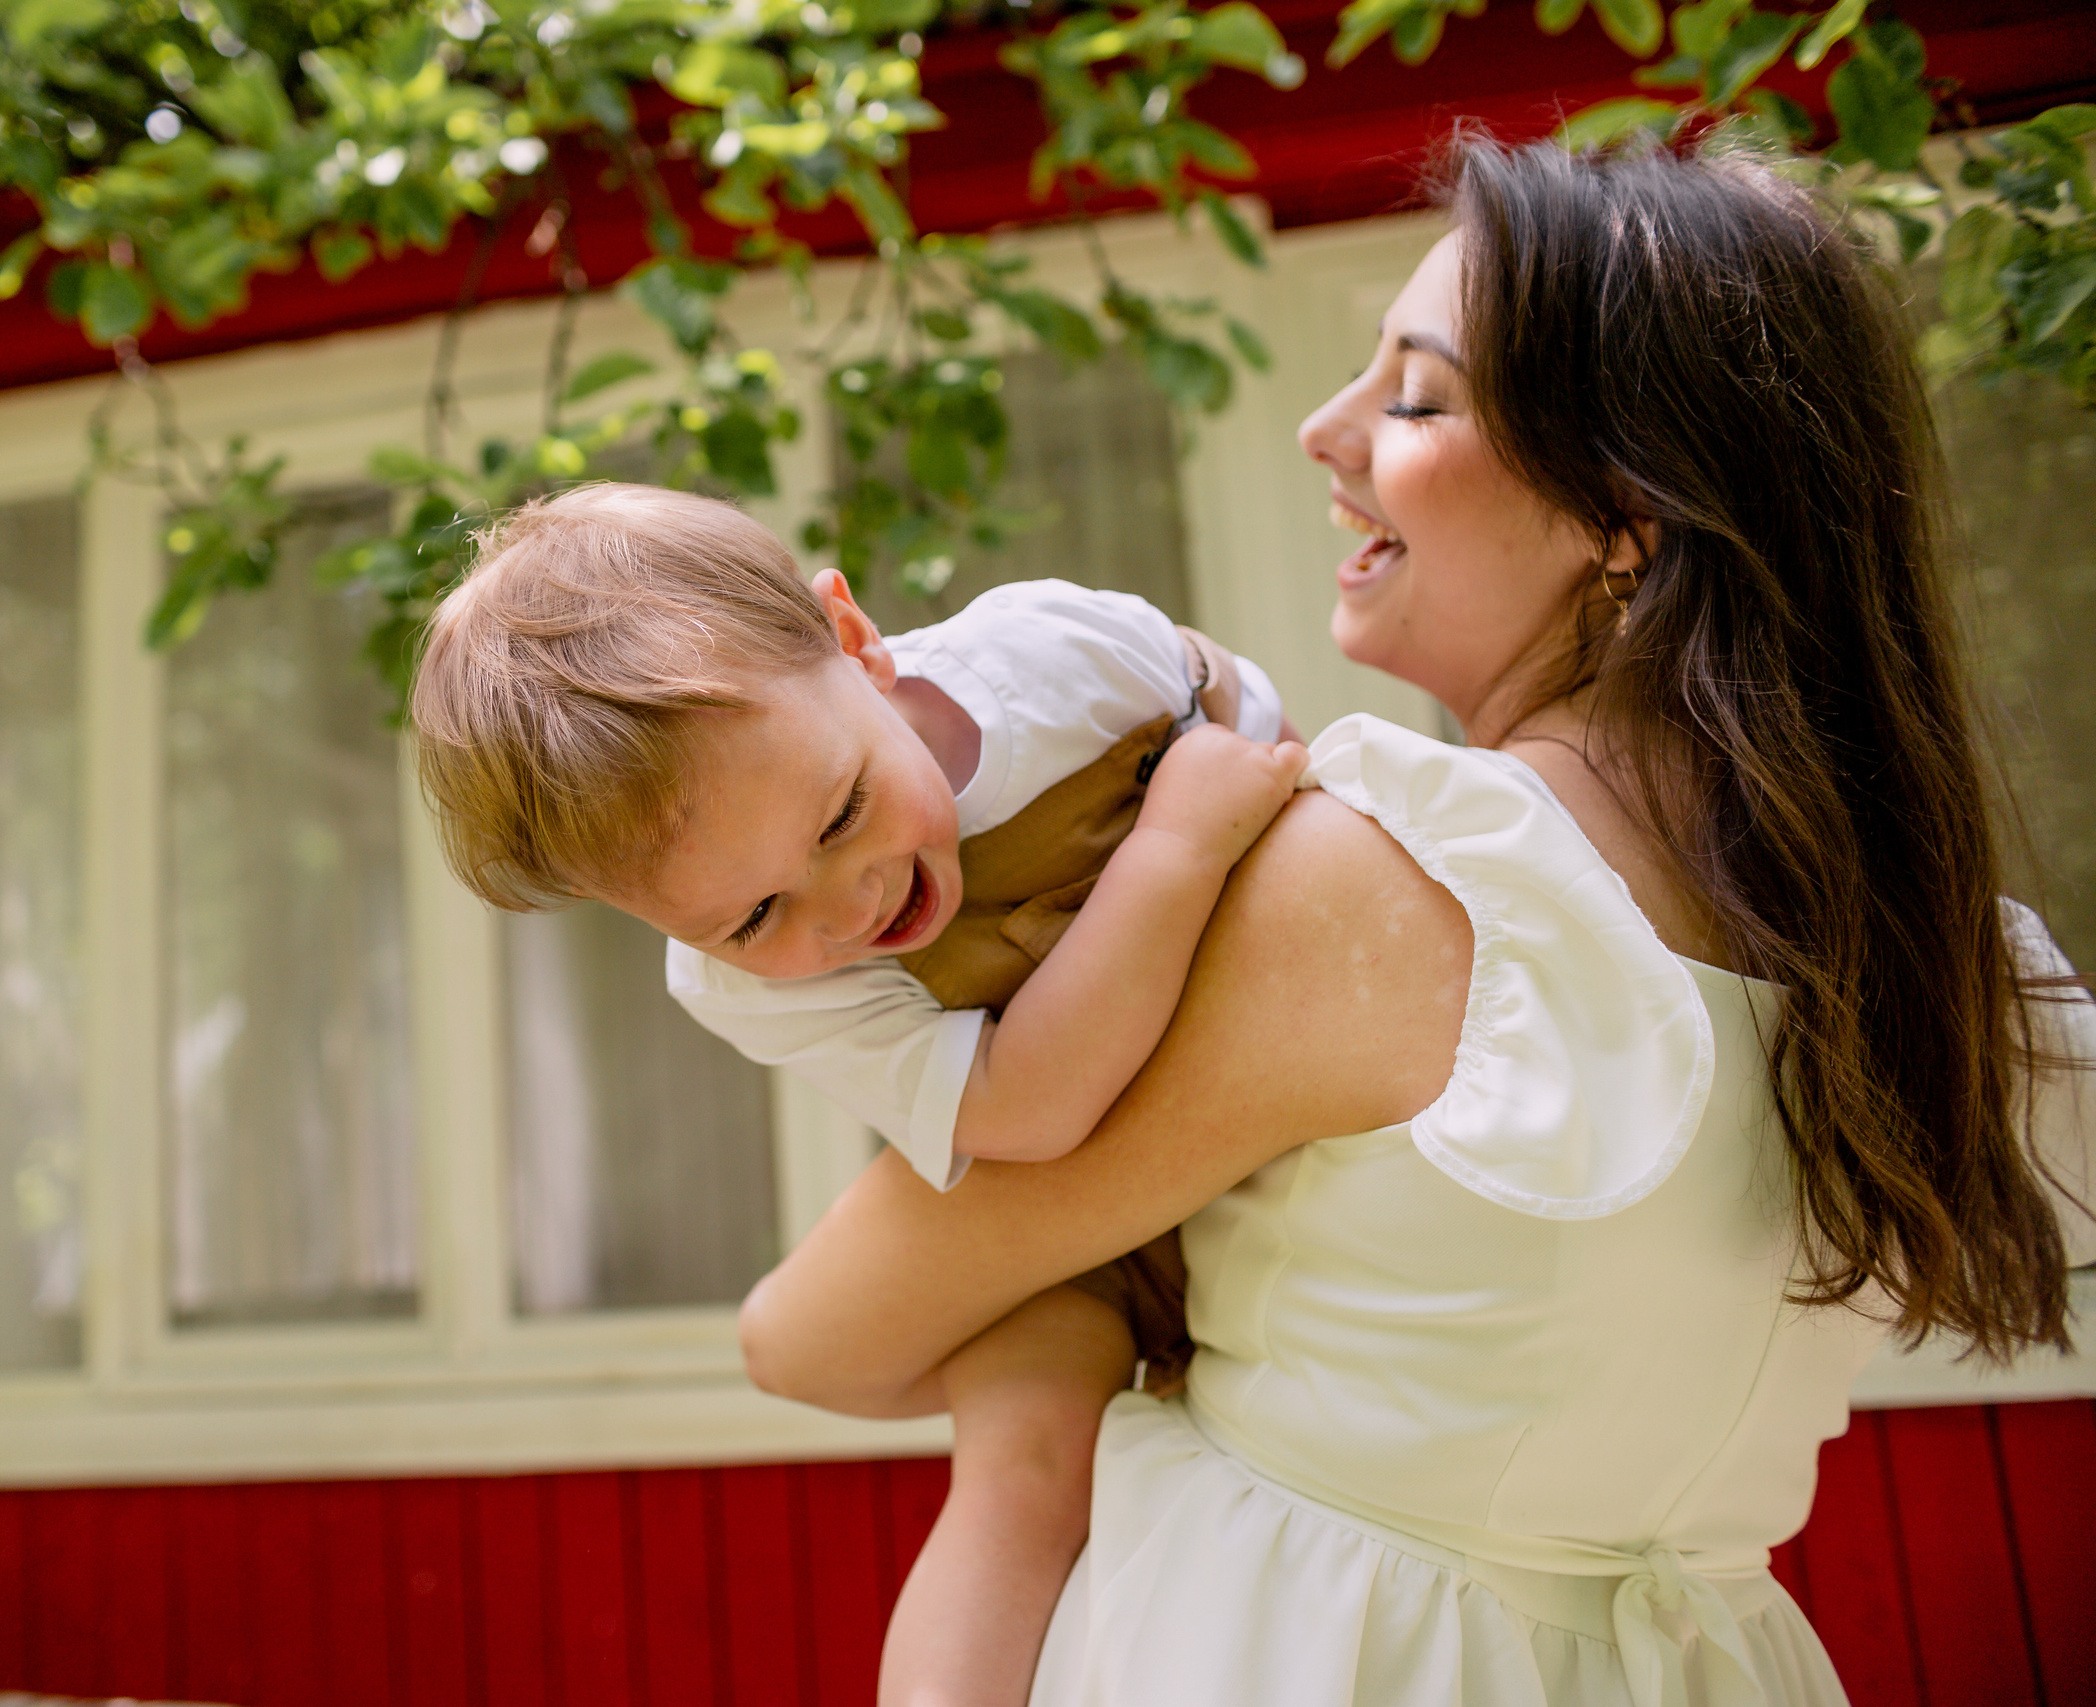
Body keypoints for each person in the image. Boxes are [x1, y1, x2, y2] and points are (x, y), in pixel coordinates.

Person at [739, 135, 2096, 1707]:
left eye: (1415, 396)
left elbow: (813, 1338)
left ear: (1627, 515)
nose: (1327, 432)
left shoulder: (1398, 890)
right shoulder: (1933, 951)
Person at [408, 484, 1306, 1707]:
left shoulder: (1058, 658)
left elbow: (1274, 766)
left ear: (854, 643)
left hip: (1252, 1119)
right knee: (1022, 1473)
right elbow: (1018, 1109)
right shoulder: (741, 993)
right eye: (756, 916)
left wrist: (1223, 785)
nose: (849, 902)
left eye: (840, 812)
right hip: (1054, 1240)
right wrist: (1172, 852)